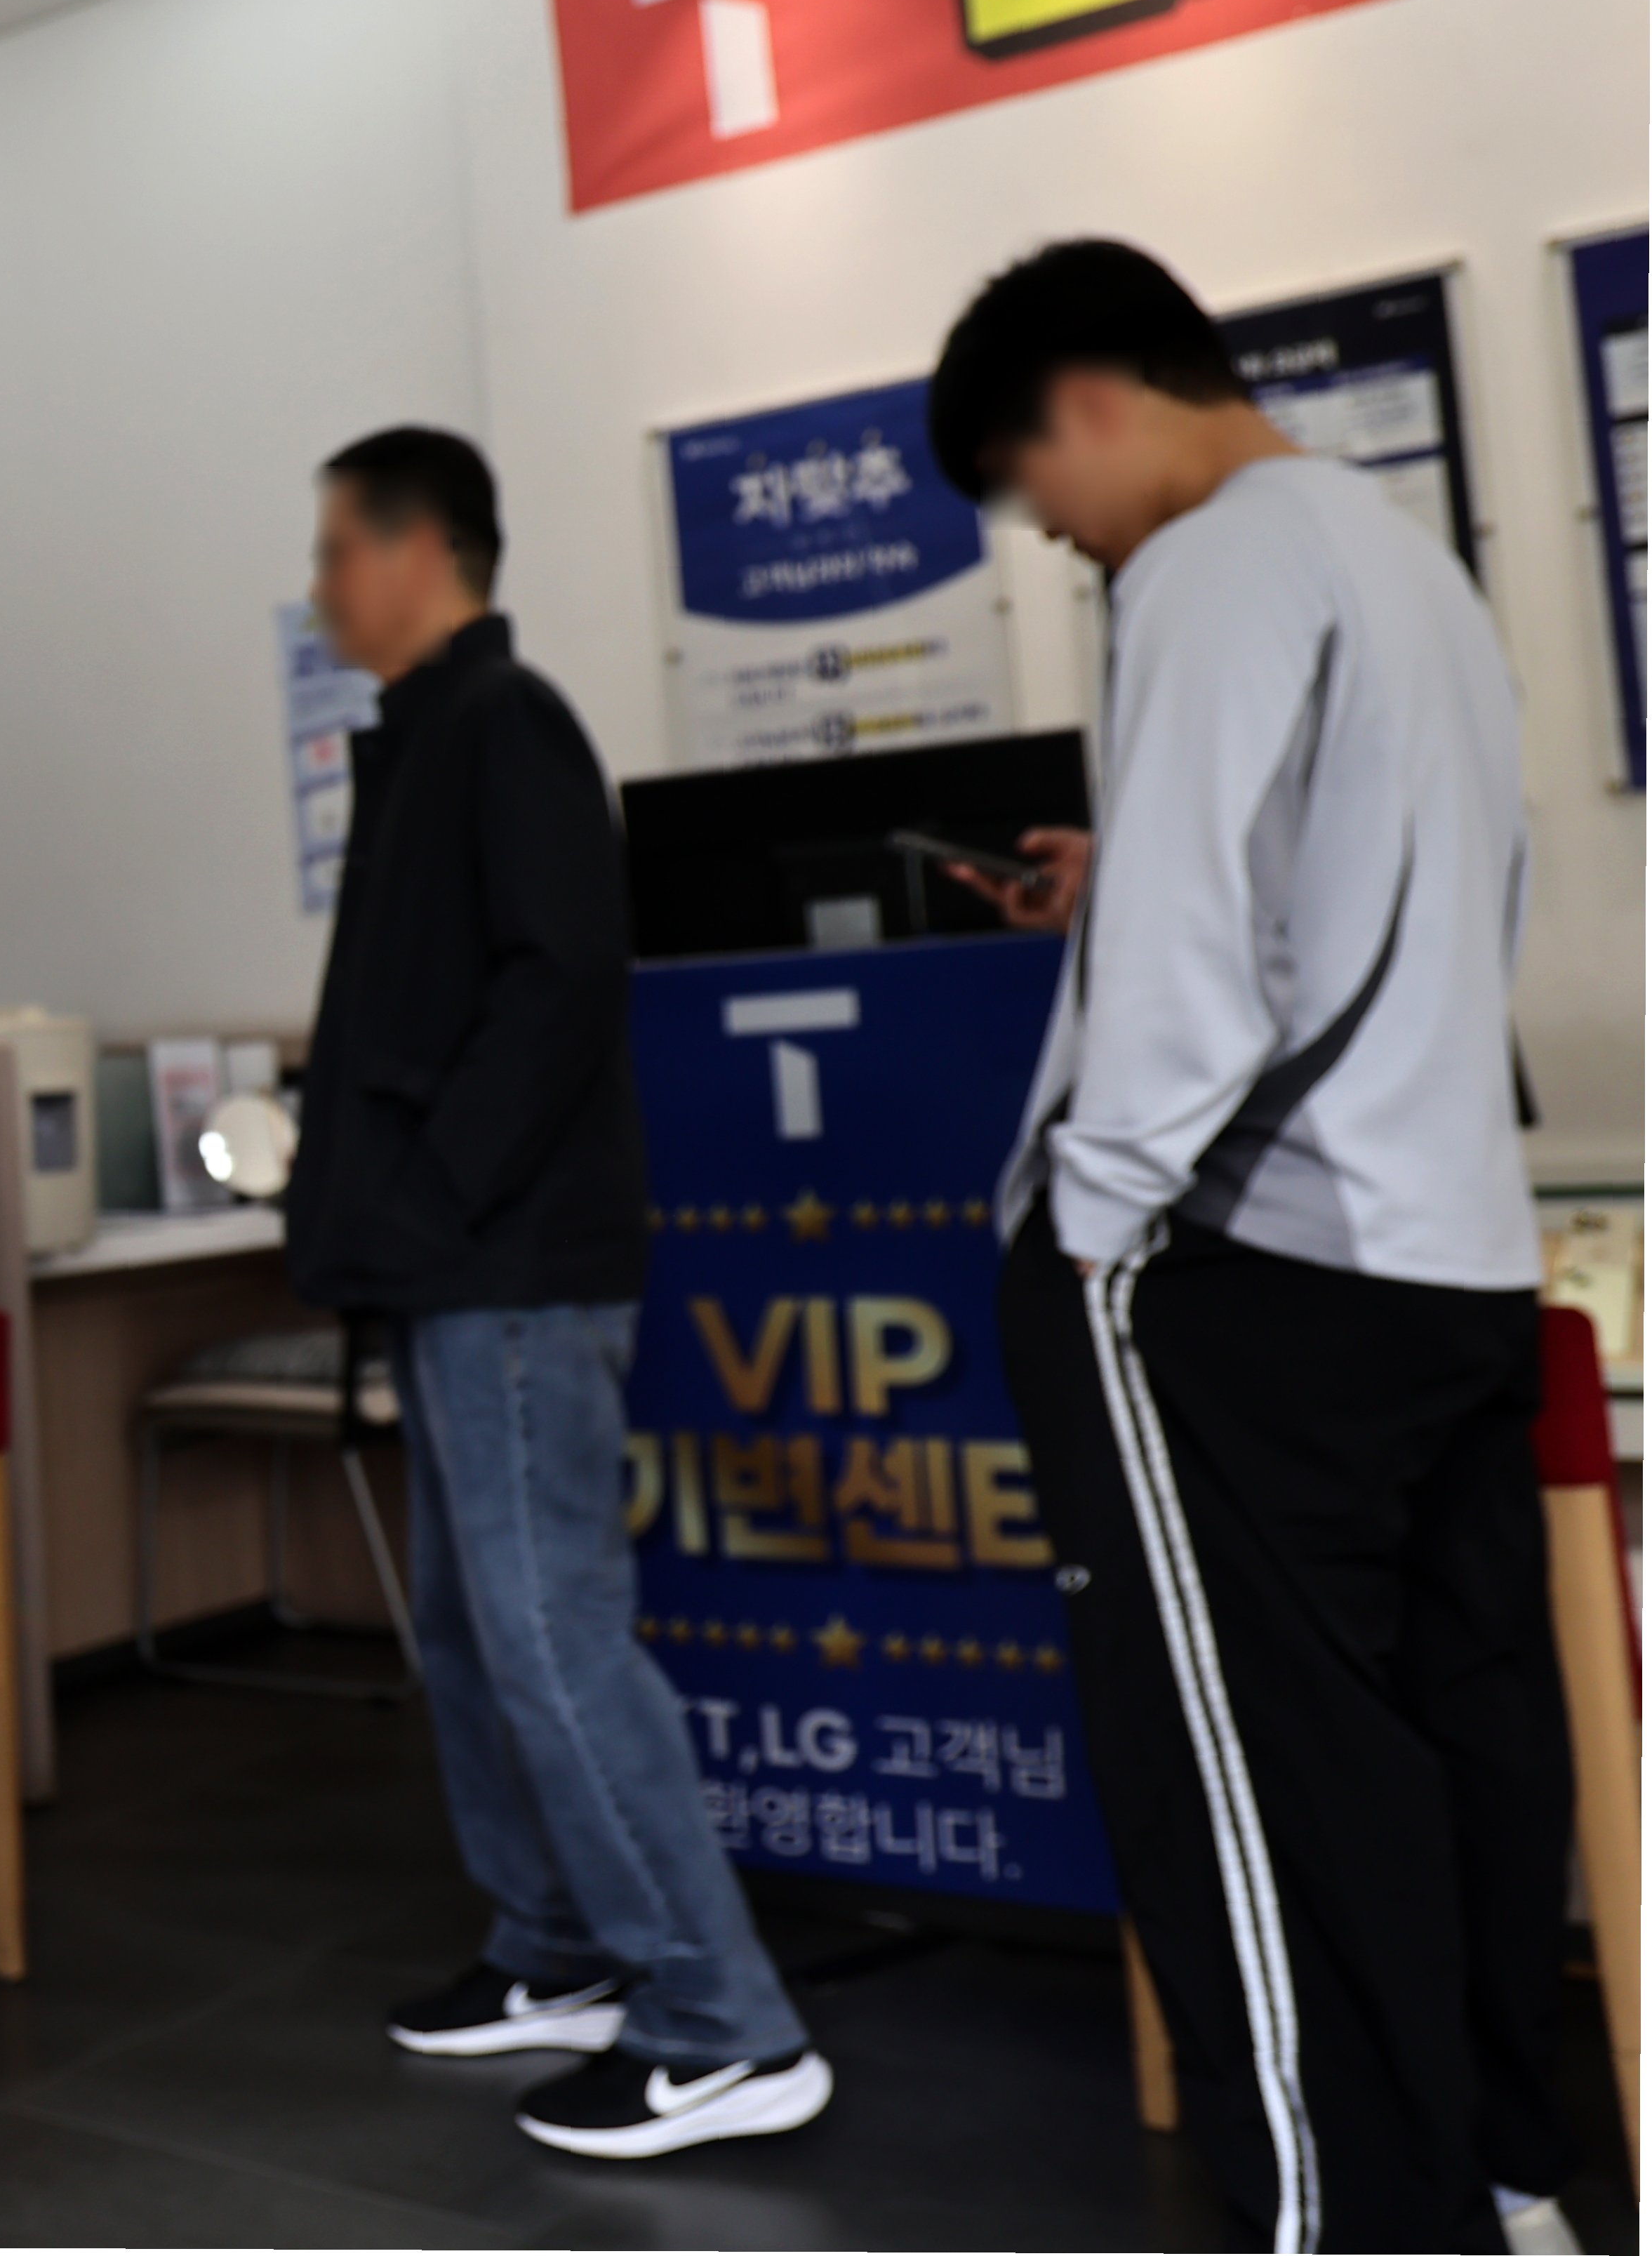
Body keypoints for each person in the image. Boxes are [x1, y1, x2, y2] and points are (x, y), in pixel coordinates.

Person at [928, 241, 1578, 2256]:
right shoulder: (1403, 562)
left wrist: (1090, 1227)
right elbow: (1406, 887)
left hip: (1241, 1273)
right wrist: (1122, 881)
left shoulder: (1208, 563)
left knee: (1255, 1797)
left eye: (1032, 480)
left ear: (1092, 394)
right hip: (1443, 1252)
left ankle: (1348, 2218)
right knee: (1458, 1753)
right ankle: (1510, 2185)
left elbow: (1201, 963)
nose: (1052, 527)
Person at [278, 426, 830, 2159]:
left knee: (553, 1634)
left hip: (507, 1266)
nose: (319, 585)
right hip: (456, 1268)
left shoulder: (504, 723)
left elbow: (563, 978)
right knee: (470, 1631)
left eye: (335, 548)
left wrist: (431, 1190)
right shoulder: (424, 734)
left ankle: (724, 2019)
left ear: (419, 547)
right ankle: (560, 1943)